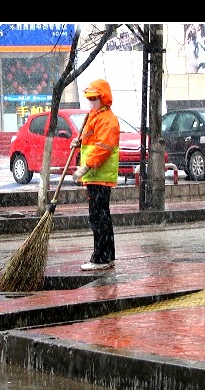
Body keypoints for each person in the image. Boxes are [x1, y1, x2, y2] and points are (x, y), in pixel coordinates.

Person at [71, 79, 120, 271]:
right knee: (102, 217)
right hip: (96, 175)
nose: (91, 101)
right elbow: (91, 139)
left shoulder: (107, 119)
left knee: (98, 217)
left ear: (103, 98)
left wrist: (86, 167)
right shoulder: (95, 116)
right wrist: (79, 141)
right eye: (89, 98)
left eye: (94, 98)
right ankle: (107, 255)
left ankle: (100, 258)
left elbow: (103, 148)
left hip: (100, 174)